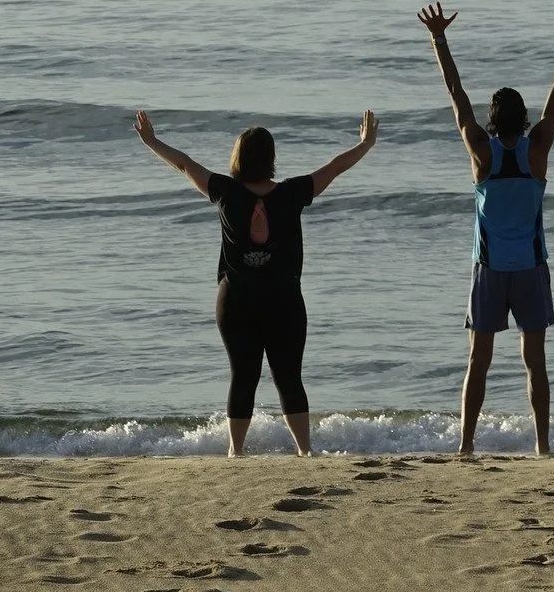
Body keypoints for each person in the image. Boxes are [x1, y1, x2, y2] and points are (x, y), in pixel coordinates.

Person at [134, 109, 377, 456]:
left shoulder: (225, 191)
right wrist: (364, 144)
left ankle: (236, 450)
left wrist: (152, 141)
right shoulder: (293, 193)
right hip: (284, 300)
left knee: (243, 375)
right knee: (289, 376)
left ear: (238, 158)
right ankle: (305, 451)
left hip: (235, 300)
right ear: (271, 158)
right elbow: (335, 167)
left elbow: (185, 165)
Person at [418, 0, 554, 457]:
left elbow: (456, 97)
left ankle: (465, 446)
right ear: (523, 118)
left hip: (490, 269)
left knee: (478, 361)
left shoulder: (482, 153)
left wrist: (440, 38)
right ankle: (541, 446)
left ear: (492, 121)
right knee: (534, 362)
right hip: (531, 268)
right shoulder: (537, 150)